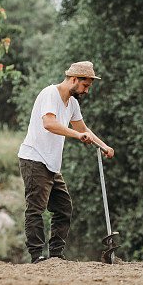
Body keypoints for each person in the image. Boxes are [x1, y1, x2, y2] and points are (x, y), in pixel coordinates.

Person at [18, 61, 114, 263]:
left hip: (51, 163)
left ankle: (56, 256)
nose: (86, 90)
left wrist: (104, 146)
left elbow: (83, 129)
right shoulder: (50, 94)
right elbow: (49, 123)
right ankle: (37, 256)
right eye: (85, 85)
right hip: (34, 158)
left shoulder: (72, 103)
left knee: (63, 208)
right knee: (36, 208)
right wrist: (77, 136)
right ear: (73, 79)